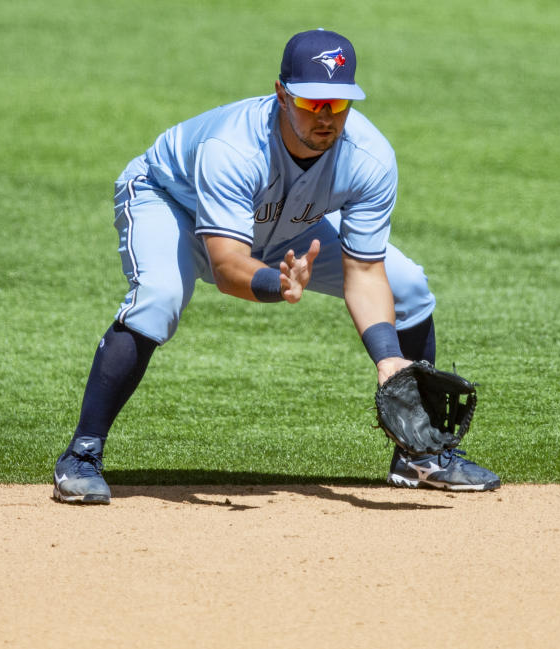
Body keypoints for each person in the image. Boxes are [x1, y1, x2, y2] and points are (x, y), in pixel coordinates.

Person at [52, 29, 500, 504]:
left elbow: (366, 273)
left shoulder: (369, 158)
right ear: (281, 94)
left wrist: (389, 360)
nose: (326, 117)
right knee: (159, 298)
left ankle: (418, 456)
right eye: (312, 103)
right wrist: (274, 283)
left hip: (286, 228)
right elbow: (226, 267)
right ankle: (81, 454)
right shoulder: (234, 149)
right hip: (172, 204)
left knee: (407, 285)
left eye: (338, 103)